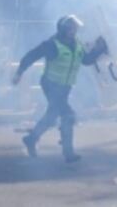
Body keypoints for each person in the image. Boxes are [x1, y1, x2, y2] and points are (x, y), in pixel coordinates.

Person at [12, 15, 108, 163]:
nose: (74, 31)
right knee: (68, 115)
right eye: (70, 28)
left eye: (75, 28)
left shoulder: (77, 44)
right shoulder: (52, 44)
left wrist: (98, 50)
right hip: (51, 84)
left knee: (52, 115)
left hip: (65, 87)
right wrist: (19, 72)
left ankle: (31, 139)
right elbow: (32, 55)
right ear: (63, 29)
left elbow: (86, 61)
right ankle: (68, 153)